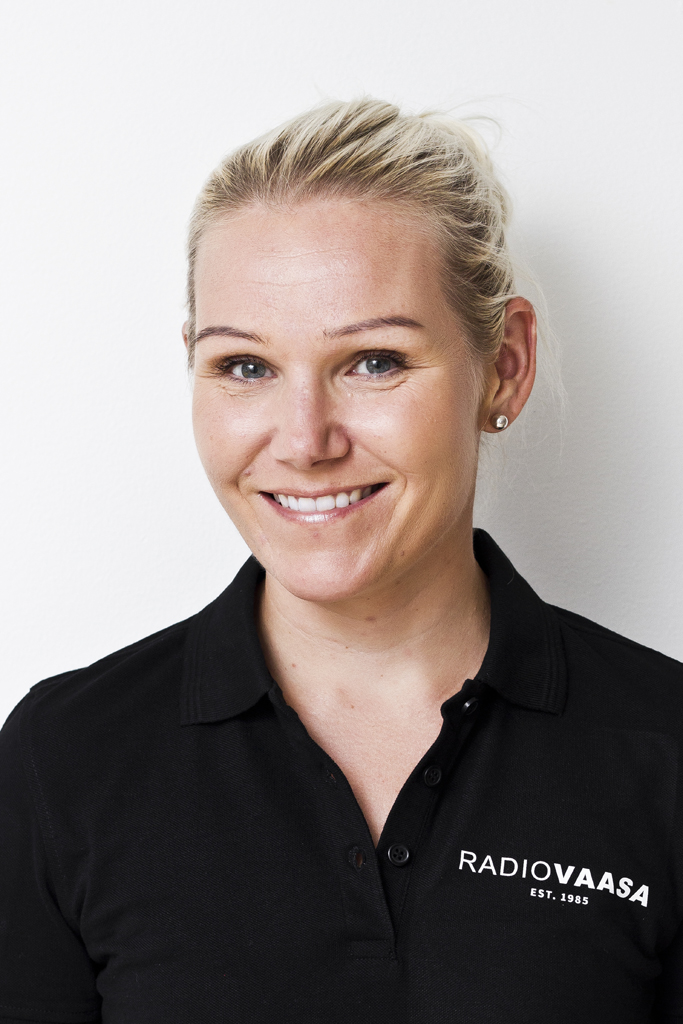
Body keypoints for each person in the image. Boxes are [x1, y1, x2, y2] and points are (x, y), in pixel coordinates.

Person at [0, 97, 681, 1024]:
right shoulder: (66, 759)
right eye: (245, 367)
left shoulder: (663, 750)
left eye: (373, 361)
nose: (304, 440)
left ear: (505, 365)